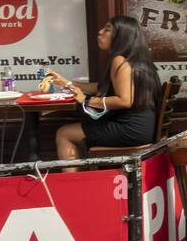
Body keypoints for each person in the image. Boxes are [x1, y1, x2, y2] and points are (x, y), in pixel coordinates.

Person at [50, 15, 161, 160]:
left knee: (64, 133)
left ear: (121, 36)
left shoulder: (119, 60)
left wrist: (86, 100)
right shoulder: (139, 60)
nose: (100, 32)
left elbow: (124, 100)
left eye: (107, 29)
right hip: (144, 128)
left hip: (129, 130)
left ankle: (73, 182)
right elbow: (100, 87)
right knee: (72, 130)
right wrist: (67, 83)